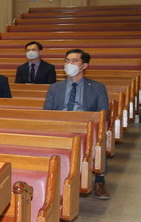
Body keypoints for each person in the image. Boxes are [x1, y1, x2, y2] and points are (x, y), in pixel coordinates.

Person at [43, 49, 111, 199]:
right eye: (67, 61)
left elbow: (104, 114)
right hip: (60, 126)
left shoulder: (97, 87)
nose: (69, 64)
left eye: (74, 61)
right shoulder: (55, 87)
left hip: (85, 127)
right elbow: (47, 113)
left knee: (99, 135)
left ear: (84, 66)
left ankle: (100, 180)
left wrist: (87, 124)